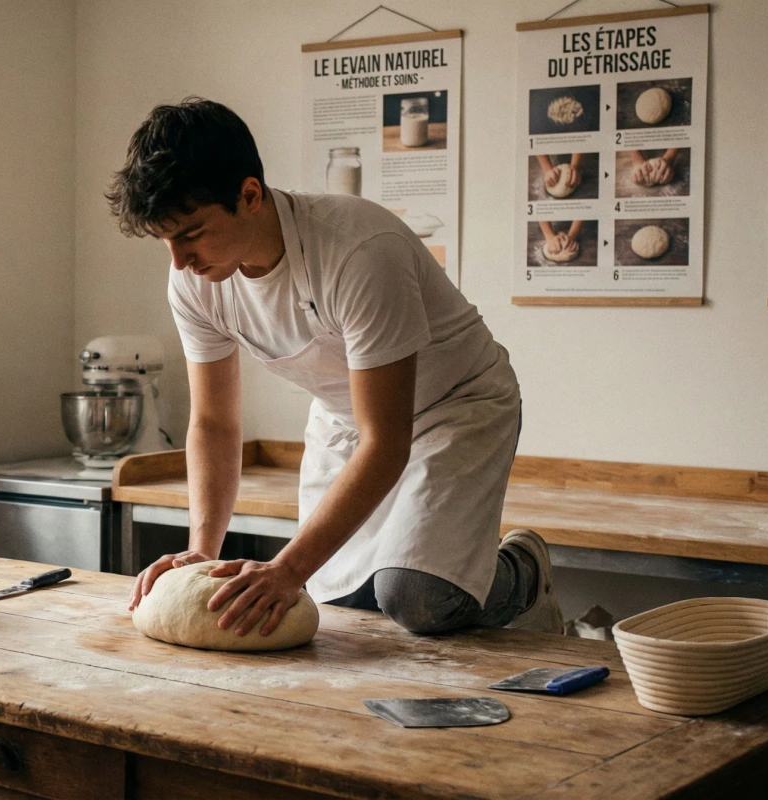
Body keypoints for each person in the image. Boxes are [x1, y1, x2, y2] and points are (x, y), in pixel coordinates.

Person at [110, 98, 562, 638]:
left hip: (456, 407)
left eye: (190, 233)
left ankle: (524, 573)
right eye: (165, 240)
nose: (178, 261)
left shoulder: (359, 251)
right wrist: (199, 553)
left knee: (415, 599)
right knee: (347, 602)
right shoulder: (196, 281)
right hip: (348, 420)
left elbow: (386, 440)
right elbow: (214, 423)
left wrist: (287, 569)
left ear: (249, 195)